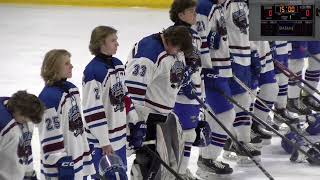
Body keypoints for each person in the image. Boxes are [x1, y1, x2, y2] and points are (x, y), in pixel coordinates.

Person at [125, 25, 193, 180]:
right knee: (150, 166)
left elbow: (173, 70)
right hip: (148, 117)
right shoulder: (148, 53)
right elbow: (132, 91)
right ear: (169, 42)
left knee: (167, 166)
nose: (179, 53)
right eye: (178, 49)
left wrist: (183, 78)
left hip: (165, 115)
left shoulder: (173, 47)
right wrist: (136, 123)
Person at [82, 26, 140, 180]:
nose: (117, 44)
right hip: (101, 144)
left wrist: (134, 120)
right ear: (101, 43)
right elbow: (92, 111)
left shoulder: (118, 64)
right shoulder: (93, 71)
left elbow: (125, 95)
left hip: (119, 139)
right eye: (113, 40)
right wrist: (104, 142)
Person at [38, 49, 95, 179]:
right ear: (54, 68)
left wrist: (83, 146)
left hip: (78, 160)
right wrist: (61, 161)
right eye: (66, 63)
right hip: (61, 168)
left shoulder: (72, 89)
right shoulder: (48, 98)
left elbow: (77, 124)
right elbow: (49, 137)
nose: (72, 66)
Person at [194, 0, 235, 177]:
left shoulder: (216, 6)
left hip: (220, 67)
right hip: (212, 70)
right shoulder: (204, 6)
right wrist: (206, 69)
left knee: (215, 114)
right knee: (225, 114)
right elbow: (197, 38)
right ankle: (207, 159)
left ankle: (206, 158)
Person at [169, 0, 203, 178]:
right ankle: (178, 172)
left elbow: (196, 65)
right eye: (191, 11)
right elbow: (173, 65)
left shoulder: (195, 35)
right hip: (180, 94)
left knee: (189, 134)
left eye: (195, 11)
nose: (195, 14)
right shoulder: (176, 35)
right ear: (180, 14)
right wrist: (183, 85)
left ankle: (181, 170)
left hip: (194, 92)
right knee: (184, 134)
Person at [0, 90, 44, 180]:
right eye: (26, 118)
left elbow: (25, 149)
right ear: (18, 111)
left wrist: (29, 172)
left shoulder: (24, 121)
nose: (28, 121)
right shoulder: (5, 126)